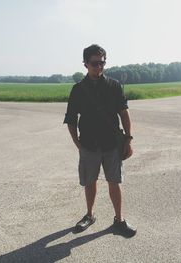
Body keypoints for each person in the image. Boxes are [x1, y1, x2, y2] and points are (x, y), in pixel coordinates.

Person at [63, 44, 136, 238]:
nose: (99, 67)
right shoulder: (78, 90)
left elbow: (124, 113)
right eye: (94, 63)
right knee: (90, 181)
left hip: (111, 144)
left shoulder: (114, 86)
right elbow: (71, 118)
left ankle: (119, 220)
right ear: (85, 64)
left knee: (115, 181)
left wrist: (128, 139)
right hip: (88, 144)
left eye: (102, 62)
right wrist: (77, 143)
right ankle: (90, 215)